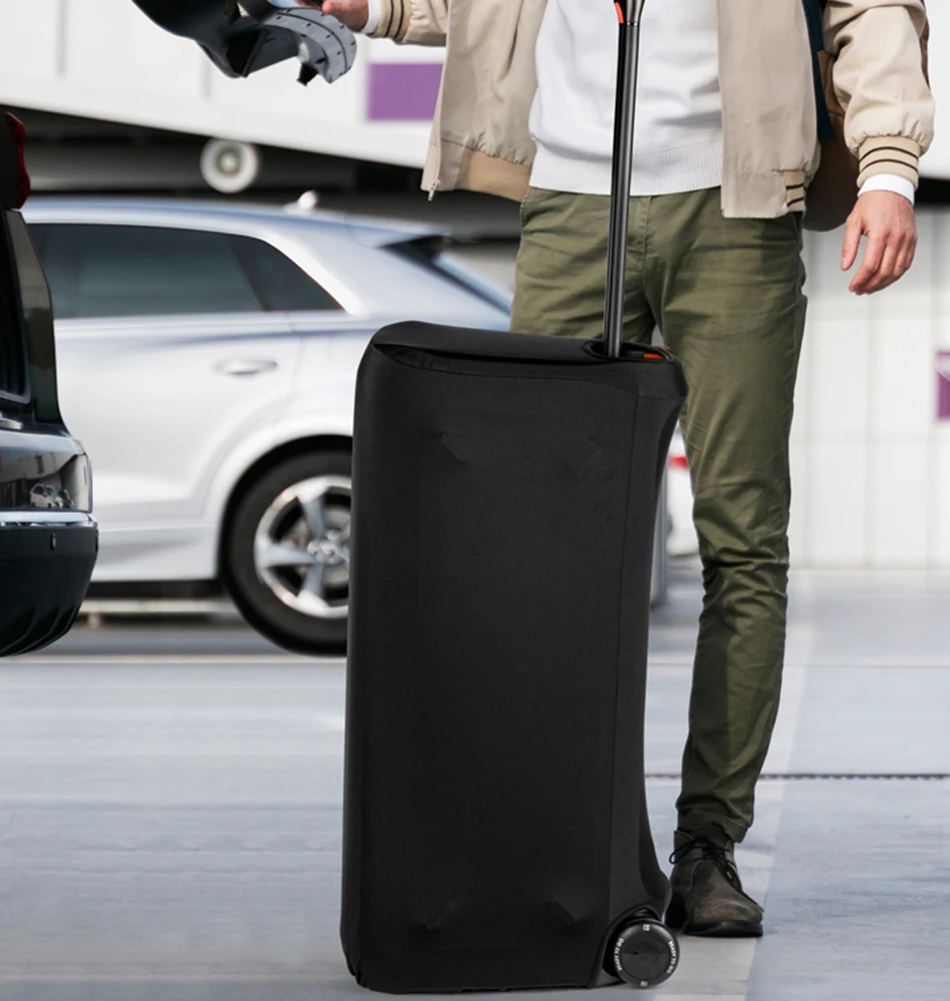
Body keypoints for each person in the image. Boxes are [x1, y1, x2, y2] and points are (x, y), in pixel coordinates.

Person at [310, 0, 935, 937]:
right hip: (569, 207)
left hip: (735, 203)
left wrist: (887, 169)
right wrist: (376, 8)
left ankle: (706, 845)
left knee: (741, 541)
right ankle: (547, 836)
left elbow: (871, 8)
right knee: (532, 549)